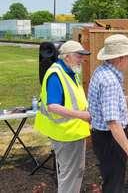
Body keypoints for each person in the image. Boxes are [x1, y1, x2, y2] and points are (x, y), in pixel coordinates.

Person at [88, 34, 128, 193]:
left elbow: (106, 103)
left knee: (111, 180)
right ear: (120, 58)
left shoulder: (102, 71)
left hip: (102, 137)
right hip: (110, 140)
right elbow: (112, 122)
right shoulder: (110, 81)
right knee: (114, 185)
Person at [34, 40, 91, 193]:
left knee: (72, 172)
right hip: (65, 134)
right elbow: (53, 106)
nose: (82, 59)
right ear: (66, 57)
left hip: (73, 131)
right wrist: (82, 115)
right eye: (79, 56)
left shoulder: (71, 72)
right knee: (70, 174)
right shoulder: (56, 74)